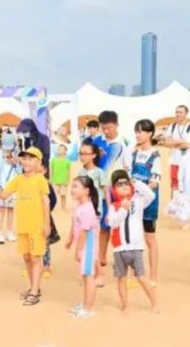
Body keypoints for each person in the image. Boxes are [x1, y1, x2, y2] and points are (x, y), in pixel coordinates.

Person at [106, 169, 159, 312]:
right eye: (119, 184)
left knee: (141, 277)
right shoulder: (113, 207)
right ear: (114, 188)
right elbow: (113, 223)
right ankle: (125, 305)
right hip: (119, 248)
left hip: (136, 247)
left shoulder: (138, 200)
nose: (124, 186)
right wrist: (123, 209)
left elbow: (151, 195)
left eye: (126, 183)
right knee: (121, 279)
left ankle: (154, 303)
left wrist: (137, 183)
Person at [3, 146, 51, 306]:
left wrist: (47, 223)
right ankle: (33, 287)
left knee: (36, 258)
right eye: (24, 158)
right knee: (26, 257)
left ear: (38, 162)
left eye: (31, 159)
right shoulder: (18, 179)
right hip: (22, 226)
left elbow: (46, 201)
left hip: (37, 226)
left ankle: (34, 292)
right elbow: (5, 194)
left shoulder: (40, 180)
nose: (26, 161)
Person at [124, 119, 163, 284]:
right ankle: (133, 275)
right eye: (136, 131)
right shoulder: (134, 153)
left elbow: (154, 182)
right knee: (133, 237)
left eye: (141, 131)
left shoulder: (155, 155)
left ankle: (153, 276)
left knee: (149, 238)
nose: (138, 135)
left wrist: (141, 190)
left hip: (149, 202)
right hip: (134, 201)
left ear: (150, 134)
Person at [93, 110, 127, 282]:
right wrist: (95, 156)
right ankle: (101, 256)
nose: (106, 131)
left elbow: (126, 166)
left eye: (109, 128)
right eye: (103, 128)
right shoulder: (96, 141)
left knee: (120, 223)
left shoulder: (122, 143)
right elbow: (88, 160)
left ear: (117, 125)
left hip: (119, 189)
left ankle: (121, 257)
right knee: (104, 224)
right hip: (102, 189)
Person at [66, 176, 101, 318]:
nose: (72, 189)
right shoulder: (80, 207)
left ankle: (88, 308)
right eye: (72, 186)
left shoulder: (87, 209)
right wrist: (70, 239)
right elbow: (75, 224)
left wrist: (78, 250)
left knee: (89, 276)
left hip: (88, 246)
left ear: (86, 191)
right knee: (85, 276)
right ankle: (85, 304)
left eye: (75, 186)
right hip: (84, 246)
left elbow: (85, 232)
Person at [164, 105, 190, 195]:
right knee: (174, 187)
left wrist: (173, 143)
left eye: (180, 112)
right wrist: (181, 141)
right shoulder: (172, 126)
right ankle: (174, 203)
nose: (178, 114)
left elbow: (187, 145)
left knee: (187, 186)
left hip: (187, 162)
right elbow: (166, 143)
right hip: (174, 161)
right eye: (177, 112)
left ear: (186, 114)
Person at [0, 146, 18, 245]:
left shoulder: (16, 167)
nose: (8, 158)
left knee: (11, 210)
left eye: (10, 156)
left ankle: (9, 231)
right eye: (6, 156)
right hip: (1, 190)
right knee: (1, 211)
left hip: (12, 192)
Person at [50, 144, 71, 210]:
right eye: (58, 149)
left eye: (62, 149)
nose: (60, 150)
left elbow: (69, 172)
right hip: (55, 181)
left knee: (63, 195)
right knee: (54, 195)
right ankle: (52, 207)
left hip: (64, 181)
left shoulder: (67, 161)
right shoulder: (53, 160)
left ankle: (63, 208)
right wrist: (50, 179)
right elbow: (51, 170)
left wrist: (68, 180)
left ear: (65, 151)